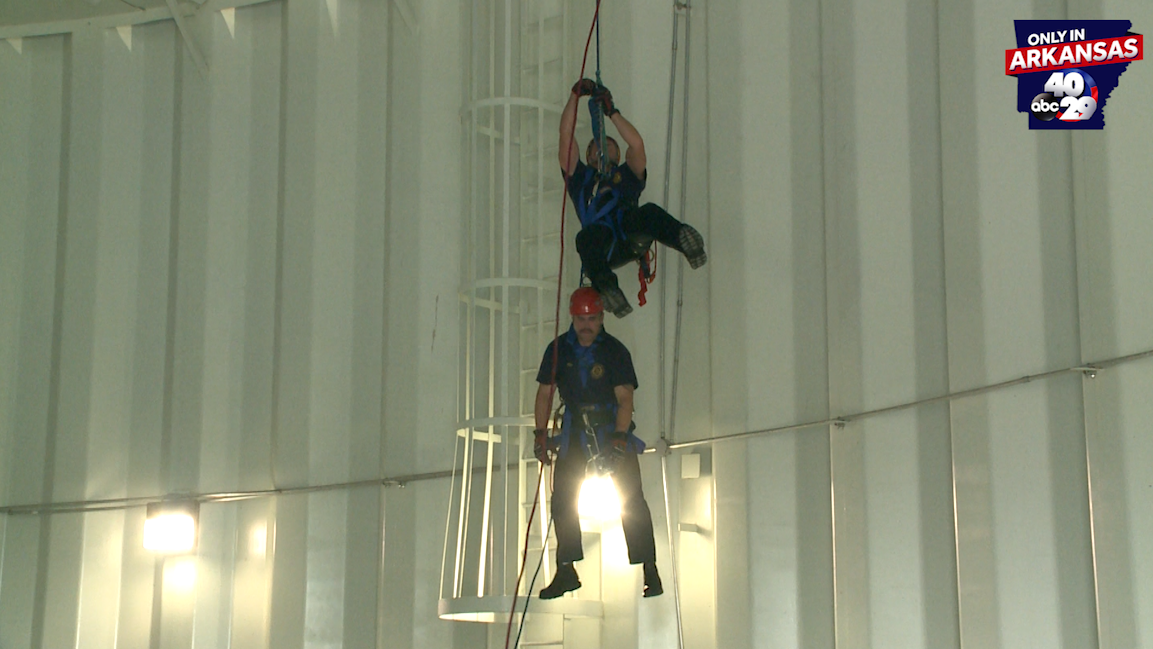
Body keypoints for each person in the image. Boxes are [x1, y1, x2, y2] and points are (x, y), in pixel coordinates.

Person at [533, 287, 663, 599]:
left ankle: (650, 569)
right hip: (575, 431)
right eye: (581, 319)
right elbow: (544, 393)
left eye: (592, 318)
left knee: (631, 500)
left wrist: (619, 439)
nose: (586, 325)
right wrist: (539, 434)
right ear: (572, 317)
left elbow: (625, 397)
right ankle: (566, 569)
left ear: (602, 317)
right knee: (563, 498)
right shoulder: (558, 350)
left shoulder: (614, 351)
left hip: (609, 430)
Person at [560, 78, 707, 318]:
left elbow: (636, 144)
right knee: (586, 238)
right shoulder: (581, 180)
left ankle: (684, 239)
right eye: (597, 147)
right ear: (588, 156)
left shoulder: (627, 175)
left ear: (620, 155)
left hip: (631, 234)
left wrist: (612, 113)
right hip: (603, 245)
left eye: (611, 147)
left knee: (647, 212)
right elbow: (565, 135)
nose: (604, 150)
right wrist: (575, 96)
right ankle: (607, 288)